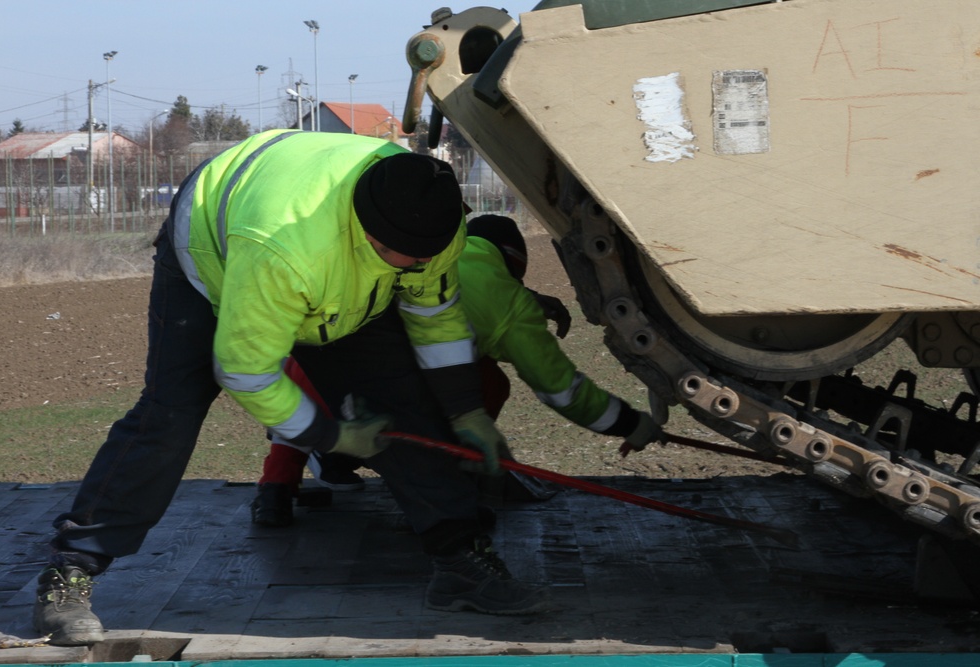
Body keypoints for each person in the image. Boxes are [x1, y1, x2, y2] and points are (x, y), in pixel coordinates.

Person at [33, 131, 545, 647]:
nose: (414, 268)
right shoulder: (280, 249)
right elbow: (247, 371)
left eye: (423, 258)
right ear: (367, 232)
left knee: (402, 404)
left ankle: (459, 560)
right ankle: (70, 570)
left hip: (339, 283)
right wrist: (332, 436)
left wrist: (466, 411)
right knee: (170, 413)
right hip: (218, 253)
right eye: (402, 257)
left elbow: (433, 314)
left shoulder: (430, 218)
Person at [252, 214, 663, 523]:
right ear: (514, 267)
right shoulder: (509, 304)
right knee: (483, 380)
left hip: (306, 382)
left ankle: (274, 490)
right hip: (397, 395)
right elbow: (562, 391)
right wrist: (628, 423)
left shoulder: (420, 246)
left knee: (319, 356)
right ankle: (451, 490)